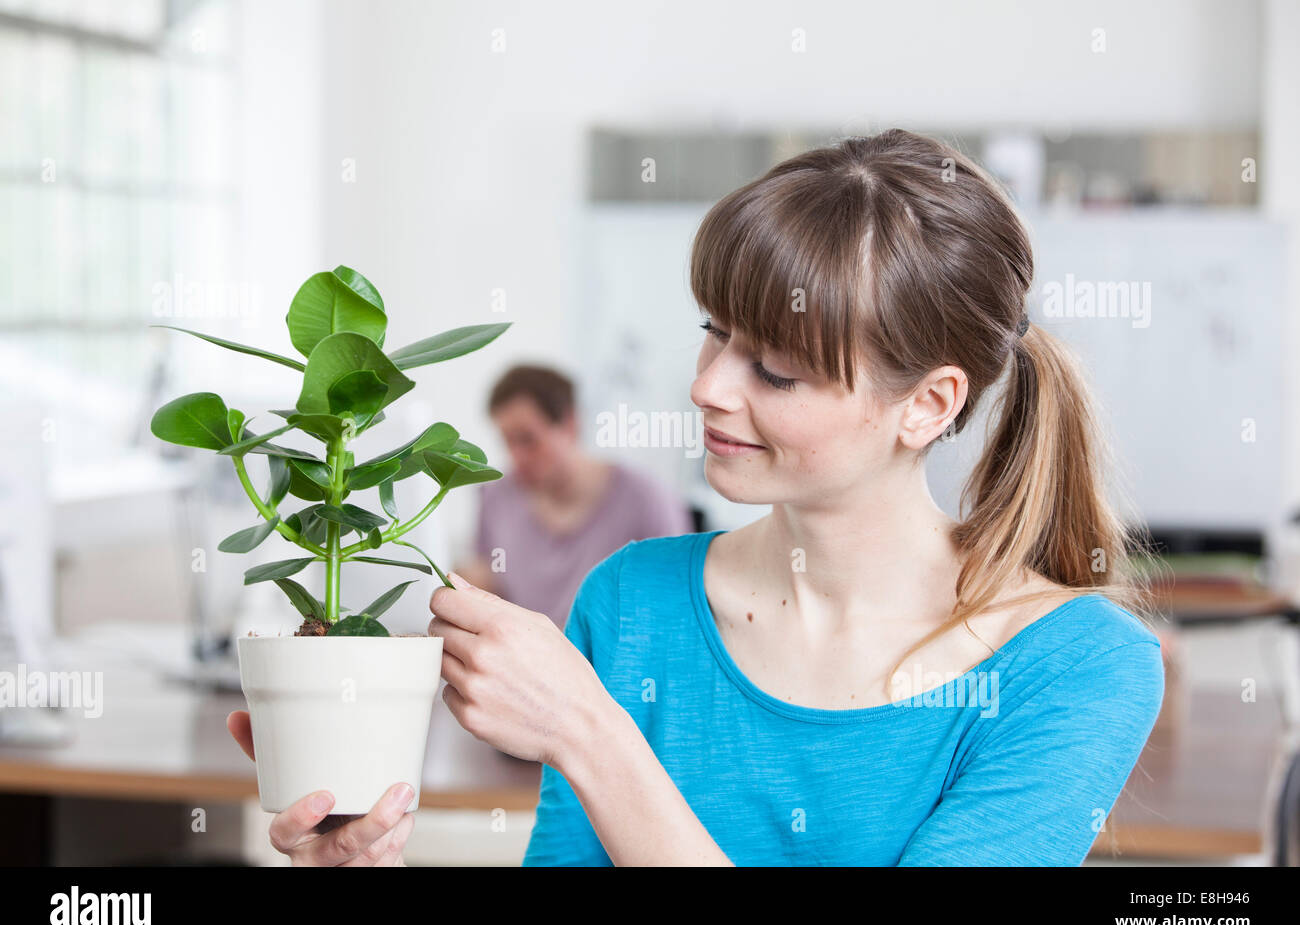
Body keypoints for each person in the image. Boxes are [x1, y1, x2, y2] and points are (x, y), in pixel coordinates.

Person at [229, 128, 1164, 866]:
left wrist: (588, 731)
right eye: (714, 334)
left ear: (927, 405)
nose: (710, 387)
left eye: (777, 370)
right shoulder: (632, 602)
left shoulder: (1079, 666)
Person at [453, 364, 694, 629]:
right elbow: (490, 576)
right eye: (508, 441)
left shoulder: (647, 500)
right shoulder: (496, 498)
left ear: (569, 425)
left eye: (528, 439)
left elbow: (673, 601)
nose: (516, 456)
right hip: (518, 657)